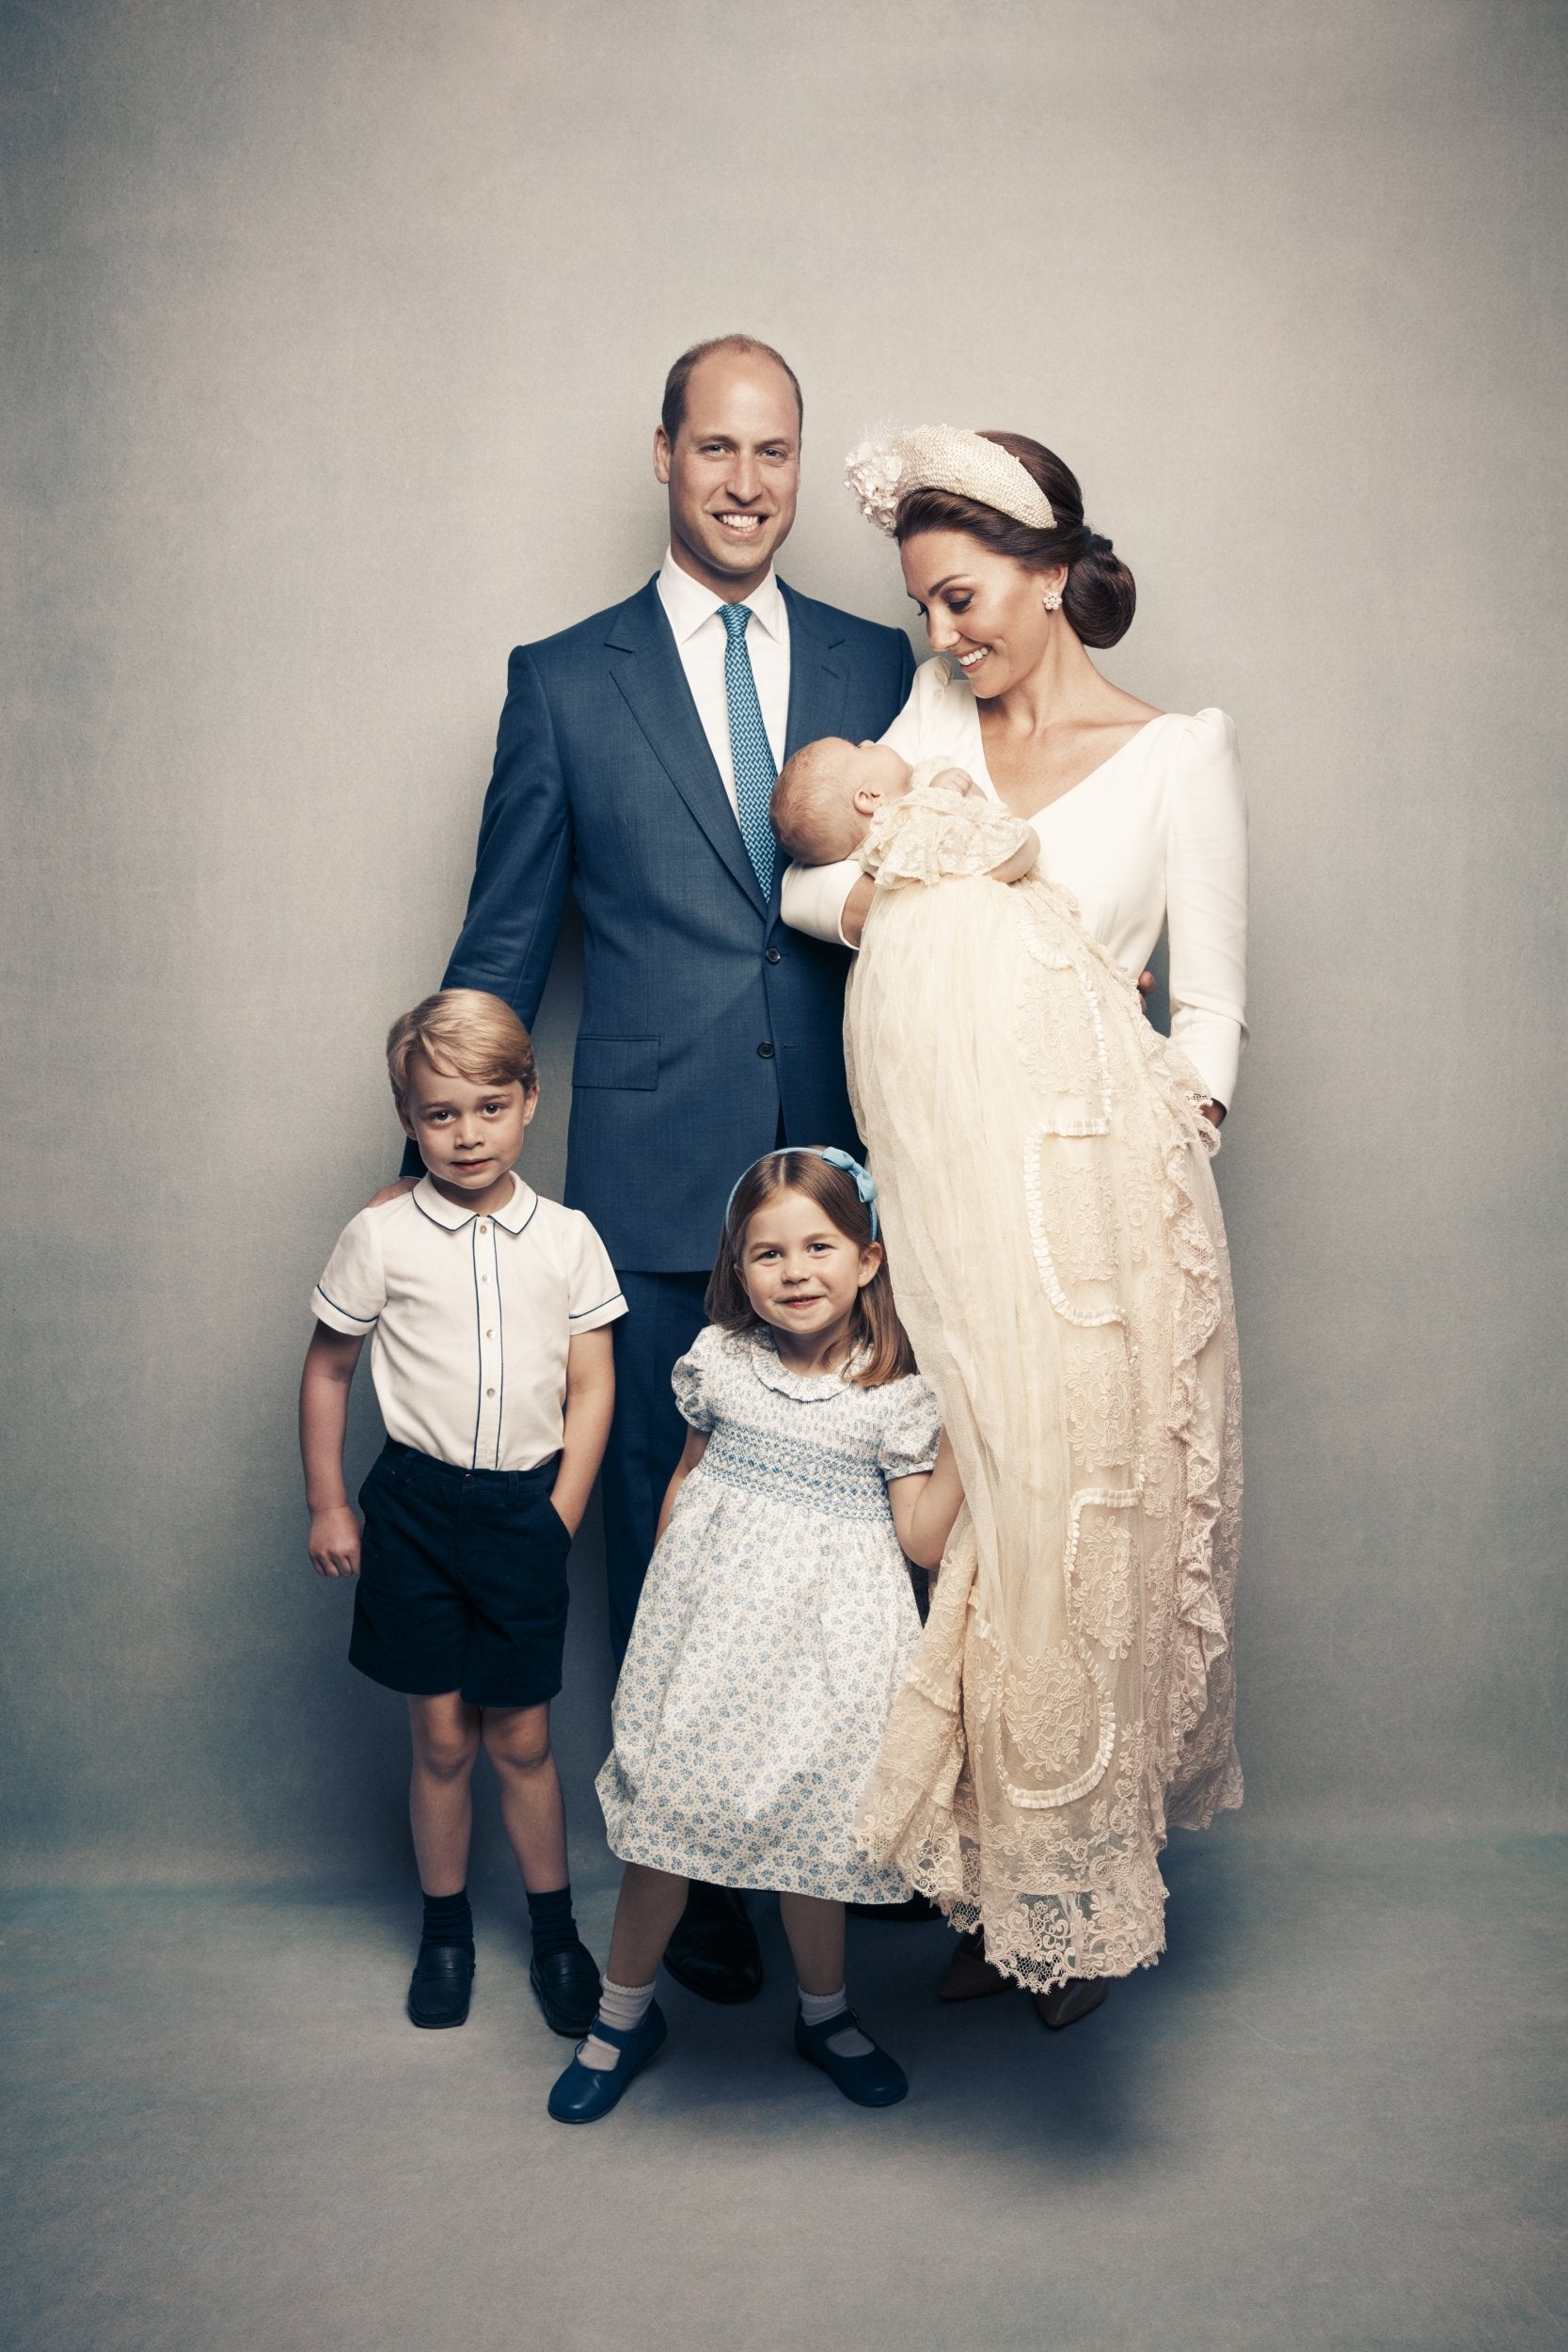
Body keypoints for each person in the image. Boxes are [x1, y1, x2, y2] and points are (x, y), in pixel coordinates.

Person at [401, 335, 914, 2004]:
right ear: (662, 455)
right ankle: (684, 1877)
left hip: (849, 1188)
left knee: (855, 1538)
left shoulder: (872, 657)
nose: (749, 483)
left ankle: (863, 1844)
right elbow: (499, 941)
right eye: (717, 450)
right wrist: (416, 1194)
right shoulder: (563, 681)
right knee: (663, 1544)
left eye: (776, 453)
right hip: (647, 1189)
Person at [781, 425, 1246, 2026]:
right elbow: (806, 883)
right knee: (968, 1518)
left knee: (1074, 1535)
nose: (940, 635)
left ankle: (1072, 1900)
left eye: (964, 597)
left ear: (1049, 575)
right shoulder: (932, 726)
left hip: (1088, 1214)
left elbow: (1214, 1021)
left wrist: (1124, 1092)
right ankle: (993, 1888)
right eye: (922, 607)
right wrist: (963, 910)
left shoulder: (1179, 753)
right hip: (935, 1198)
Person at [546, 1150, 965, 2123]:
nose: (793, 1270)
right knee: (667, 1835)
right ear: (738, 1269)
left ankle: (824, 2015)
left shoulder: (893, 1393)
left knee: (812, 1841)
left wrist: (973, 1442)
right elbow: (685, 1479)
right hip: (707, 1647)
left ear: (867, 1259)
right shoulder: (720, 1362)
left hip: (828, 1660)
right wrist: (663, 1611)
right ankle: (618, 2018)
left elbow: (921, 1538)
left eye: (817, 1245)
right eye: (765, 1253)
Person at [300, 990, 625, 2037]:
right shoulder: (380, 1235)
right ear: (407, 1116)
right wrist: (329, 1503)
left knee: (519, 1738)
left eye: (489, 1106)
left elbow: (592, 1388)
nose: (467, 1132)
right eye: (440, 1113)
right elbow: (328, 1370)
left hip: (525, 1511)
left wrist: (558, 1517)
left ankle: (555, 1934)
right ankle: (444, 1929)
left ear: (529, 1100)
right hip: (413, 1510)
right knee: (440, 1736)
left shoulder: (569, 1238)